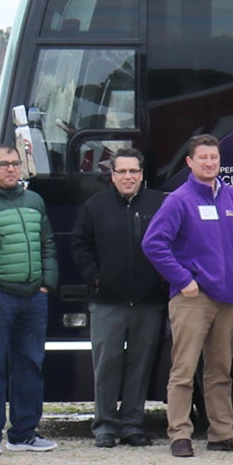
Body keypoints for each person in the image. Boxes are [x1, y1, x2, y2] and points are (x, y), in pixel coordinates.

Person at [141, 134, 233, 457]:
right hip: (193, 298)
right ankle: (180, 434)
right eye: (203, 158)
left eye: (214, 158)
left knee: (220, 370)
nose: (209, 163)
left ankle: (222, 432)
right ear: (190, 162)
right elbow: (153, 244)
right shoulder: (179, 200)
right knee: (184, 369)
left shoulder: (232, 199)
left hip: (227, 298)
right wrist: (182, 278)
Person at [72, 147, 168, 449]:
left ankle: (132, 425)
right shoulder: (95, 206)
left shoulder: (159, 204)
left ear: (142, 175)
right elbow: (79, 243)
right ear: (112, 176)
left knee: (140, 365)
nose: (128, 177)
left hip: (148, 301)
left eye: (134, 171)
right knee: (107, 364)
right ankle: (104, 426)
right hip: (107, 301)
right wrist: (95, 276)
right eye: (122, 171)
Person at [0, 144, 59, 455]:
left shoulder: (34, 200)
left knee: (30, 364)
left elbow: (47, 242)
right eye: (4, 164)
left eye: (15, 163)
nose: (11, 169)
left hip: (34, 296)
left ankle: (24, 433)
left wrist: (47, 283)